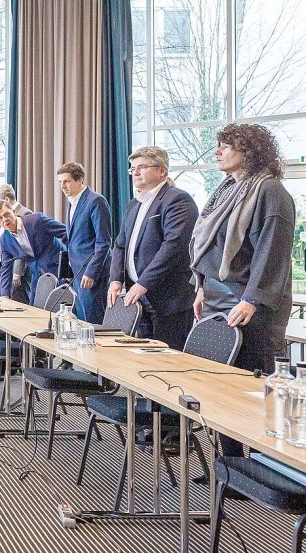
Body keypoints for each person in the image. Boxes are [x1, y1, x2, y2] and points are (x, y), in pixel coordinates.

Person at [191, 123, 294, 457]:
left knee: (250, 388)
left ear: (249, 151)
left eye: (225, 145)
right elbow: (211, 246)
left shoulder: (270, 191)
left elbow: (272, 251)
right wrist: (201, 287)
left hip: (252, 304)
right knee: (220, 386)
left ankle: (263, 467)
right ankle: (230, 464)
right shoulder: (226, 189)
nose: (218, 151)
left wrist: (251, 298)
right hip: (217, 297)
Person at [108, 146, 198, 350]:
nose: (135, 173)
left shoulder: (177, 200)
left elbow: (173, 247)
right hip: (138, 296)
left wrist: (143, 283)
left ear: (162, 171)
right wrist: (115, 279)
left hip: (168, 299)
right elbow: (120, 245)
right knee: (144, 359)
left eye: (142, 167)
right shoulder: (134, 204)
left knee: (167, 365)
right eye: (132, 169)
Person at [58, 162, 112, 323]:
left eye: (66, 181)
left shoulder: (95, 201)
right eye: (60, 182)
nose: (63, 186)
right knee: (82, 319)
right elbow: (73, 241)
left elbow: (104, 242)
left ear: (80, 179)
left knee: (92, 321)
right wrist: (69, 271)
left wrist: (91, 272)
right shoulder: (72, 202)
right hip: (77, 271)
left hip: (92, 272)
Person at [0, 200, 67, 303]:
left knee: (64, 307)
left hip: (59, 270)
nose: (5, 220)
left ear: (13, 211)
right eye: (0, 218)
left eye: (7, 214)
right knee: (34, 307)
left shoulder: (36, 220)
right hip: (36, 275)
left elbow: (66, 233)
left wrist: (70, 265)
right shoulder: (5, 239)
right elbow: (6, 268)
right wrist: (5, 296)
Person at [0, 184, 33, 303]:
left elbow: (23, 246)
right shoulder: (0, 215)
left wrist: (17, 271)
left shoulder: (25, 214)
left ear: (6, 200)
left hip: (21, 271)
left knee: (21, 302)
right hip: (6, 264)